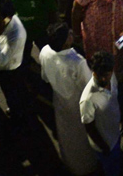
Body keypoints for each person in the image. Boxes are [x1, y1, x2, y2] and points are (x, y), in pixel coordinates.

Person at [41, 21, 97, 176]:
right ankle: (88, 166)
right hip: (78, 105)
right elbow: (89, 87)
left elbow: (45, 77)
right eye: (69, 34)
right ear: (65, 42)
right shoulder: (77, 62)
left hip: (60, 102)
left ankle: (73, 165)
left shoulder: (45, 52)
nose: (72, 33)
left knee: (67, 136)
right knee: (83, 139)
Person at [80, 50, 123, 176]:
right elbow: (89, 127)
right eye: (100, 75)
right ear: (93, 72)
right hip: (105, 143)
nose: (104, 78)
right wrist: (105, 147)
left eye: (107, 74)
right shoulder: (87, 99)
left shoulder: (112, 77)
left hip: (115, 133)